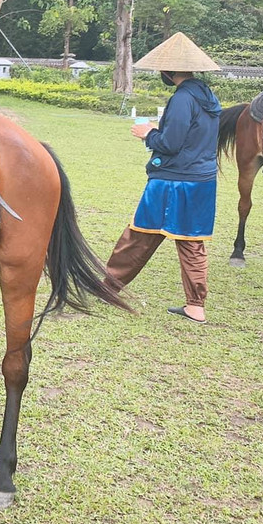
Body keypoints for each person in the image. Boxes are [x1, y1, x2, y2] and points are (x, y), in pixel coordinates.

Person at [103, 32, 222, 323]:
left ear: (167, 72)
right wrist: (163, 130)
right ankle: (196, 306)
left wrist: (149, 134)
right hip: (202, 180)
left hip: (173, 181)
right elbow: (190, 135)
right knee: (192, 242)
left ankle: (106, 287)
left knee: (139, 236)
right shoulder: (207, 96)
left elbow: (170, 144)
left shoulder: (182, 98)